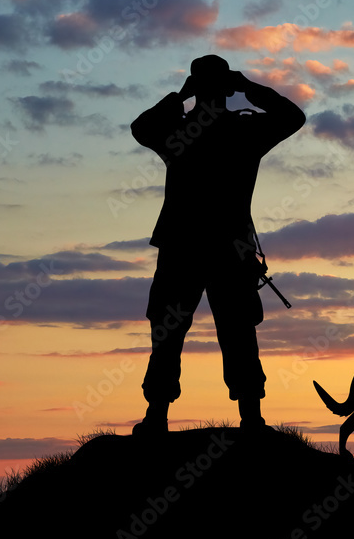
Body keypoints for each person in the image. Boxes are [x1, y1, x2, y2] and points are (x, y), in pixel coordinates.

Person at [130, 55, 305, 434]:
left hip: (184, 246)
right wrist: (248, 87)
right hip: (228, 248)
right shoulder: (244, 132)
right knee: (237, 330)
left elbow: (142, 128)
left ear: (195, 87)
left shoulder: (178, 132)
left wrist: (179, 96)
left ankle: (157, 415)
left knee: (172, 330)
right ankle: (250, 417)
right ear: (228, 87)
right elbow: (292, 116)